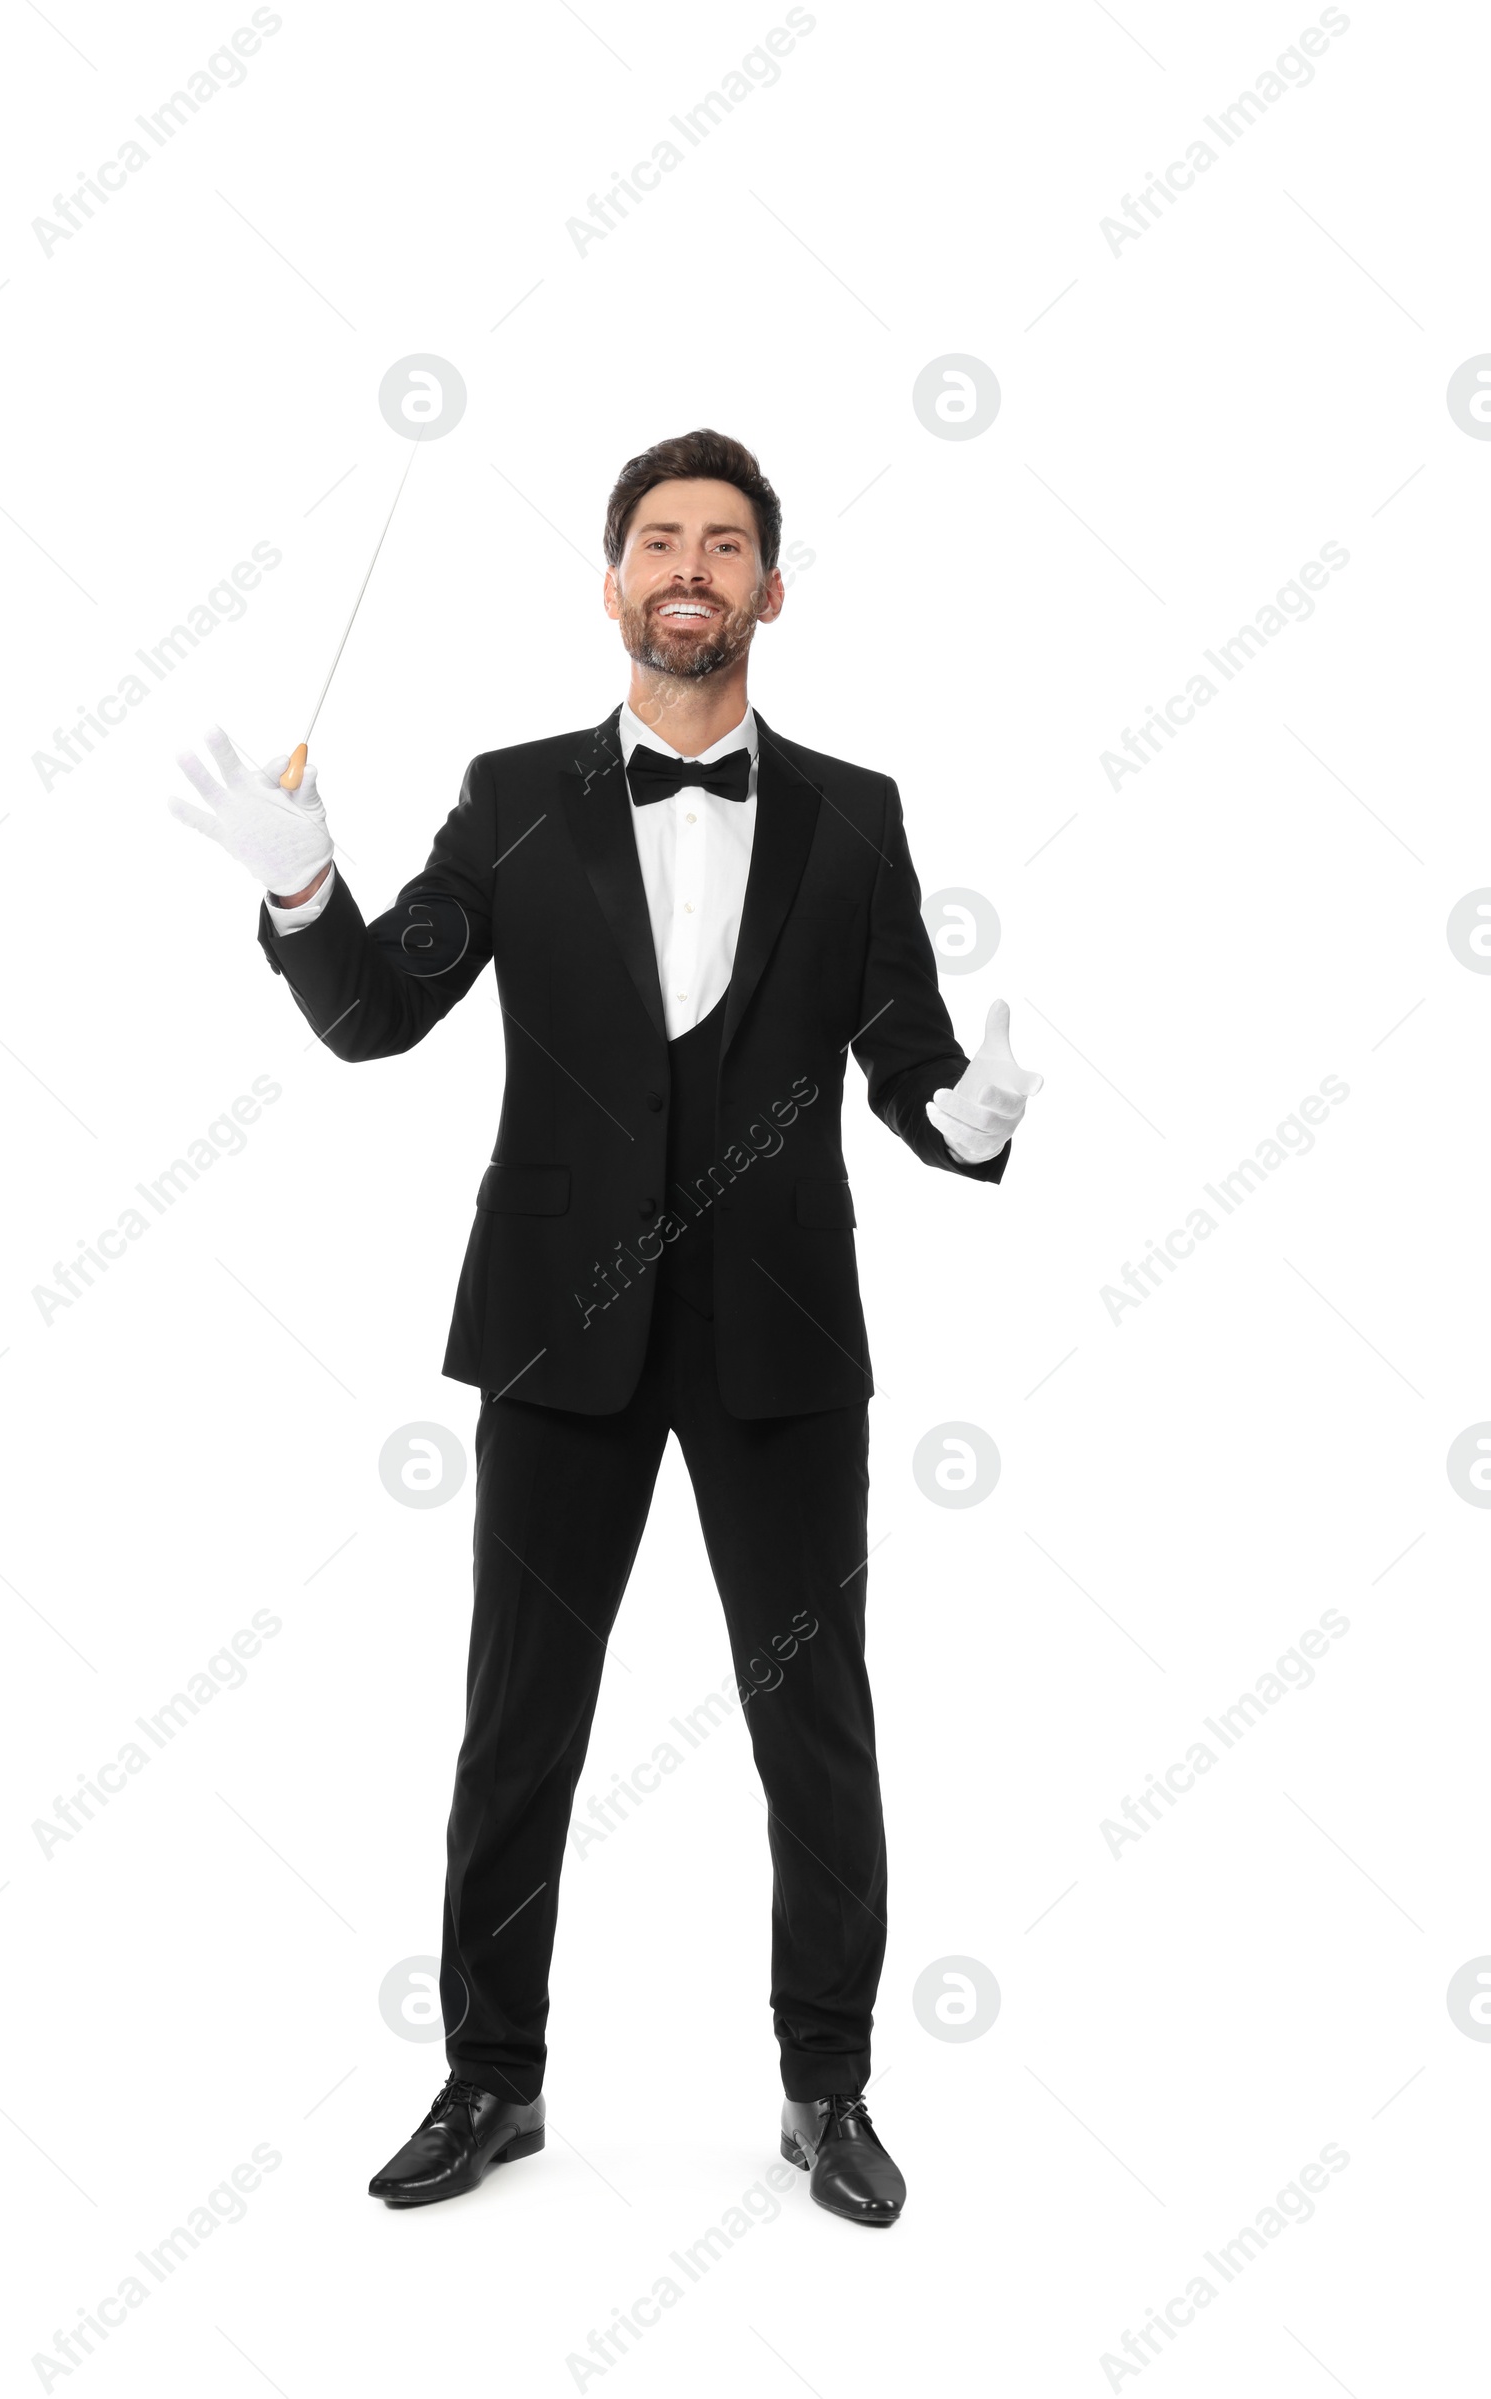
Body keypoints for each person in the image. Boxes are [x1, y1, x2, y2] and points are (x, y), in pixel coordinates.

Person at [170, 428, 1041, 2226]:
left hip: (788, 1341)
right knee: (520, 1723)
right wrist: (299, 892)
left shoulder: (857, 813)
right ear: (615, 583)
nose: (692, 568)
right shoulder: (512, 798)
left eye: (727, 543)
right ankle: (492, 2082)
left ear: (771, 590)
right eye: (662, 540)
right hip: (561, 1335)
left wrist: (969, 1119)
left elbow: (910, 1057)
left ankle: (828, 2087)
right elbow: (374, 1019)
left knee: (818, 1720)